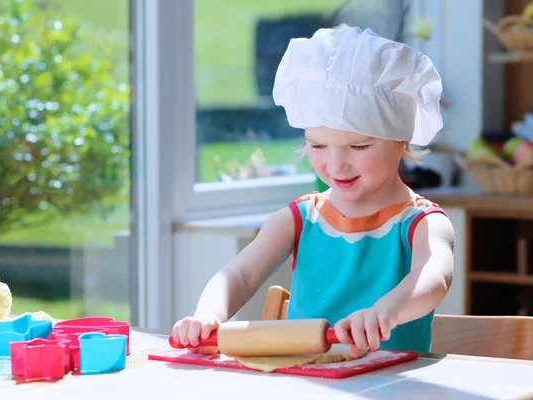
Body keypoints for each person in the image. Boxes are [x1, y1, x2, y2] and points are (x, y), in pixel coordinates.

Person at [171, 26, 455, 357]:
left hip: (390, 386)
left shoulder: (423, 222)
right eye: (318, 145)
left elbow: (434, 276)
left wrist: (387, 311)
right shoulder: (300, 218)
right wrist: (209, 314)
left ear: (400, 142)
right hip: (305, 383)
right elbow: (239, 274)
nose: (336, 166)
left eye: (358, 146)